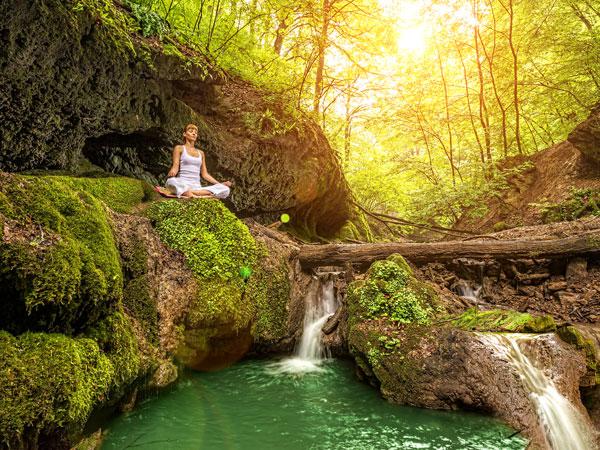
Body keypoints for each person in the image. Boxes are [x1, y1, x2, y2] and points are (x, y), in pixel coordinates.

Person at [161, 124, 232, 199]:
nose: (194, 133)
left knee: (226, 189)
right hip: (182, 183)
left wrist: (220, 184)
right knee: (170, 182)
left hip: (197, 187)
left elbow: (205, 174)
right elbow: (175, 167)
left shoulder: (201, 153)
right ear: (184, 134)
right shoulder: (179, 148)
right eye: (191, 131)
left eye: (196, 132)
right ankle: (203, 196)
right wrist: (172, 172)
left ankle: (191, 193)